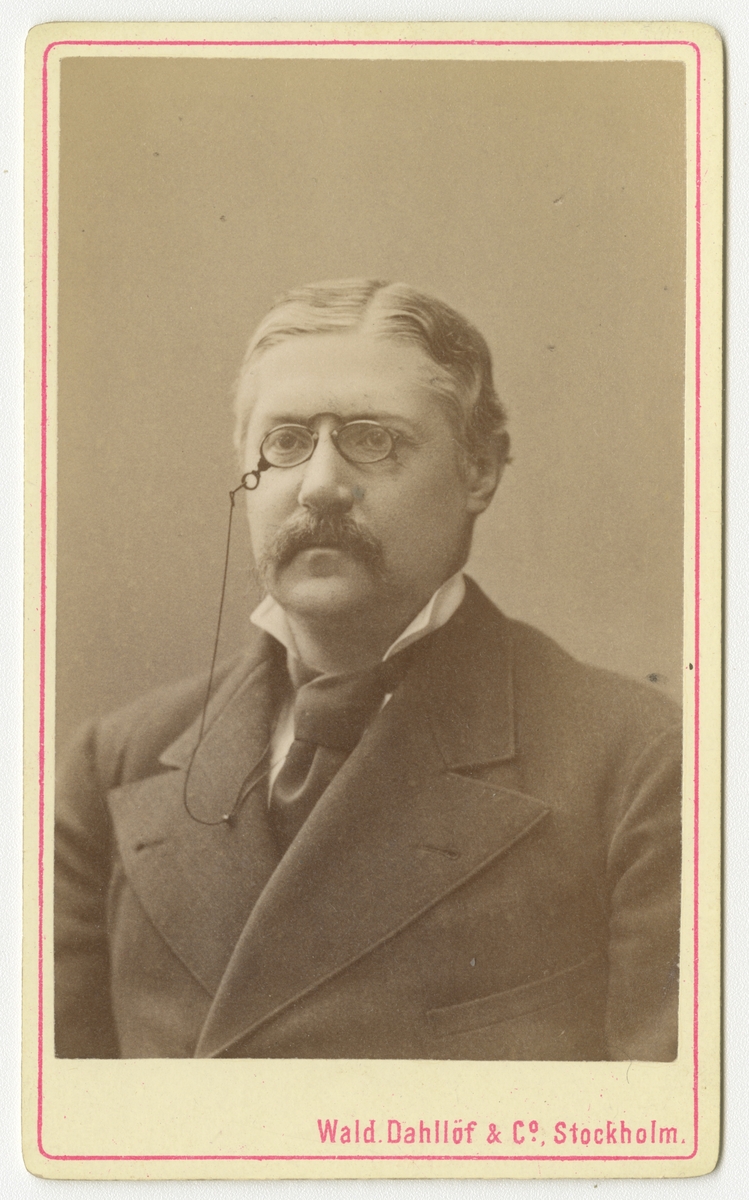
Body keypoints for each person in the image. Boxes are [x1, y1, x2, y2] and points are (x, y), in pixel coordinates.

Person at [54, 279, 681, 1061]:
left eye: (373, 440)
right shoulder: (117, 765)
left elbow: (660, 1124)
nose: (320, 486)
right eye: (285, 443)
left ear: (478, 471)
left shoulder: (638, 766)